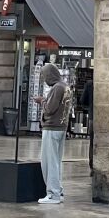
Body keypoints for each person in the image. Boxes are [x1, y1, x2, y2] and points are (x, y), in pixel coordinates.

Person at [38, 64, 69, 204]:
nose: (44, 79)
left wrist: (42, 101)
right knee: (56, 162)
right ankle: (58, 191)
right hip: (61, 127)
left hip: (52, 128)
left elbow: (50, 109)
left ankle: (53, 194)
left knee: (49, 162)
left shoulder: (57, 88)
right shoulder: (65, 86)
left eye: (45, 76)